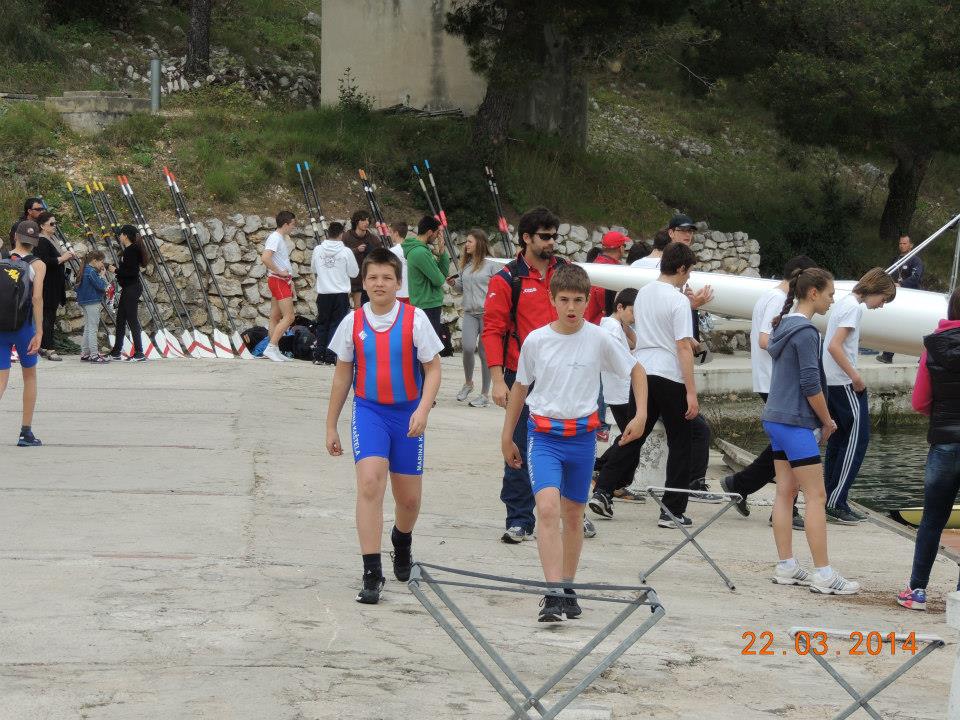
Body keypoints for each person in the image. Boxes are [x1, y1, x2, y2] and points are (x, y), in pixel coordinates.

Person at [501, 265, 646, 621]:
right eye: (564, 299)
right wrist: (507, 436)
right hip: (544, 437)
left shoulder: (600, 339)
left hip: (581, 439)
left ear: (588, 300)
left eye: (578, 300)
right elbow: (520, 387)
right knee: (548, 508)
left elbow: (636, 370)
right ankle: (551, 593)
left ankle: (567, 586)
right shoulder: (536, 340)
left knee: (573, 515)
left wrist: (641, 414)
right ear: (551, 299)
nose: (571, 307)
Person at [325, 247, 443, 605]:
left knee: (409, 500)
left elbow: (433, 369)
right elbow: (342, 375)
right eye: (373, 277)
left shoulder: (415, 319)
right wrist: (331, 425)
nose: (379, 283)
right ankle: (372, 571)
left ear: (398, 282)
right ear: (364, 281)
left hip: (407, 416)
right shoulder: (352, 322)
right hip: (370, 413)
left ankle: (401, 540)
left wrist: (423, 410)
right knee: (370, 484)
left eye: (387, 277)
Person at [589, 242, 701, 529]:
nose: (689, 277)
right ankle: (672, 510)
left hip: (641, 371)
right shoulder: (678, 300)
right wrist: (691, 391)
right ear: (681, 268)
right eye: (689, 271)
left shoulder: (644, 294)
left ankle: (603, 490)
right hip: (669, 374)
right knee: (681, 443)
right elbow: (683, 347)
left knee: (634, 433)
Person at [763, 267, 860, 595]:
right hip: (795, 423)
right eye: (830, 294)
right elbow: (810, 384)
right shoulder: (806, 333)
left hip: (775, 417)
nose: (832, 300)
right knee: (816, 496)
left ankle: (787, 566)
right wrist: (828, 420)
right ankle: (824, 574)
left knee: (785, 492)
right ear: (813, 293)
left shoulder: (782, 325)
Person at [482, 207, 571, 543]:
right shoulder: (507, 279)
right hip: (521, 377)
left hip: (565, 376)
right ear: (526, 238)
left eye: (554, 236)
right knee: (519, 445)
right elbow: (492, 330)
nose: (551, 242)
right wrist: (497, 380)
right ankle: (519, 518)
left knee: (568, 444)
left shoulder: (567, 272)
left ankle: (571, 513)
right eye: (545, 237)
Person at [720, 255, 818, 528]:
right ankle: (774, 502)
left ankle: (743, 485)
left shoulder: (771, 296)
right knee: (792, 445)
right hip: (776, 382)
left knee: (783, 446)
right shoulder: (778, 299)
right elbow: (765, 339)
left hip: (771, 380)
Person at [897, 288, 960, 611]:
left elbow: (920, 401)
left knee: (932, 520)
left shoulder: (932, 347)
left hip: (944, 443)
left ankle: (917, 590)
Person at [822, 268, 897, 524]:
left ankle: (829, 498)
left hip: (832, 382)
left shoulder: (844, 303)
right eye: (883, 299)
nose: (881, 305)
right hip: (844, 383)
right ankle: (835, 501)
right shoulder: (853, 308)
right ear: (875, 290)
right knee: (857, 441)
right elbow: (834, 346)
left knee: (838, 441)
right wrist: (855, 376)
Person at [0, 221, 46, 446]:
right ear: (34, 242)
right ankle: (25, 433)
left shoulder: (2, 259)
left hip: (0, 327)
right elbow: (37, 298)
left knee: (1, 379)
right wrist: (39, 331)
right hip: (24, 329)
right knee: (29, 377)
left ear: (15, 237)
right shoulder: (38, 264)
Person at [450, 228, 498, 408]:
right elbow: (461, 288)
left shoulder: (492, 265)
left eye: (470, 241)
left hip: (487, 314)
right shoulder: (466, 265)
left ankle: (484, 395)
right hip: (470, 313)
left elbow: (500, 288)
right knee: (468, 348)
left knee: (485, 354)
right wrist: (453, 283)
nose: (466, 245)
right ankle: (468, 383)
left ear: (479, 243)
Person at [310, 221, 358, 365]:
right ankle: (331, 356)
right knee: (337, 325)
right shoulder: (346, 251)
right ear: (341, 234)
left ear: (328, 233)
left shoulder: (318, 249)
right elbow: (354, 272)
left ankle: (319, 355)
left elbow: (314, 269)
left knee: (322, 323)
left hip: (323, 292)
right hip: (340, 294)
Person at [33, 211, 74, 362]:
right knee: (48, 315)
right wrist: (62, 258)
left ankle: (44, 346)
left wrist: (64, 258)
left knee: (49, 315)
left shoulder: (52, 239)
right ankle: (49, 348)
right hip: (47, 284)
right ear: (42, 226)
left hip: (54, 283)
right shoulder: (42, 241)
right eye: (51, 223)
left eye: (55, 223)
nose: (54, 226)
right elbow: (43, 261)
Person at [401, 216, 450, 341]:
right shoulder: (420, 252)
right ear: (429, 232)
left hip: (428, 304)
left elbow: (443, 273)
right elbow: (439, 280)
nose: (437, 237)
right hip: (427, 305)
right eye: (437, 233)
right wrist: (439, 274)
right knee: (430, 346)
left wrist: (442, 251)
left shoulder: (423, 250)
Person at [878, 235, 922, 364]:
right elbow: (889, 275)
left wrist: (901, 284)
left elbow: (916, 277)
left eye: (904, 243)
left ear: (911, 245)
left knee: (914, 326)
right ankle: (887, 355)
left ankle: (922, 355)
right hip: (897, 296)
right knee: (894, 324)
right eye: (900, 243)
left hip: (911, 298)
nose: (902, 245)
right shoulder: (895, 260)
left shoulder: (916, 261)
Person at [259, 210, 297, 363]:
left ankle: (274, 349)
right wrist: (280, 272)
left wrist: (288, 278)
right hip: (279, 280)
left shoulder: (279, 238)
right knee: (289, 317)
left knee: (275, 317)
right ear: (286, 224)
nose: (294, 227)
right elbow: (265, 258)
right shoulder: (275, 238)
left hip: (280, 281)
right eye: (293, 224)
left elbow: (278, 260)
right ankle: (271, 347)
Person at [108, 225, 148, 363]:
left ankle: (139, 352)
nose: (119, 236)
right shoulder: (130, 250)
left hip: (132, 288)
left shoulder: (131, 250)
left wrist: (115, 270)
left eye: (120, 234)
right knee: (120, 320)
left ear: (125, 235)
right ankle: (116, 351)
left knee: (132, 320)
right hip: (128, 288)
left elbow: (131, 272)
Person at [585, 230, 628, 324]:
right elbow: (605, 302)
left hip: (588, 319)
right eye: (624, 245)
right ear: (621, 248)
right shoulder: (613, 270)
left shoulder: (595, 262)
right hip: (600, 323)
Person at [76, 250, 111, 363]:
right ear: (95, 261)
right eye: (101, 262)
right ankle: (94, 355)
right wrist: (102, 276)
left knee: (88, 327)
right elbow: (101, 286)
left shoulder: (84, 270)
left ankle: (85, 353)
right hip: (92, 302)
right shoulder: (92, 272)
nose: (102, 264)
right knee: (93, 329)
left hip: (84, 301)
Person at [344, 210, 375, 308]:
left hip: (369, 279)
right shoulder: (346, 237)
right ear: (356, 222)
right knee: (357, 308)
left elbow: (380, 255)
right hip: (351, 279)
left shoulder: (373, 239)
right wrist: (356, 250)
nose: (366, 223)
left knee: (369, 307)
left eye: (368, 220)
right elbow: (340, 254)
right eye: (363, 220)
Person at [388, 222, 410, 303]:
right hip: (411, 292)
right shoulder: (412, 249)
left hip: (397, 292)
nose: (389, 235)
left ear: (396, 233)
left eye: (391, 232)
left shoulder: (392, 251)